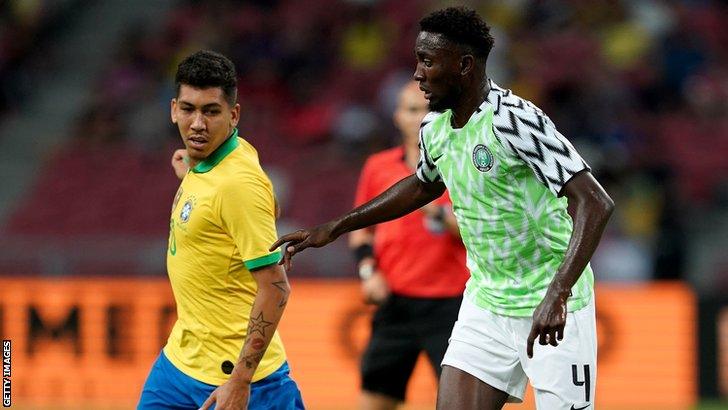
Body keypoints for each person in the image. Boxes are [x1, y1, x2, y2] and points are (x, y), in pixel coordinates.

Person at [271, 7, 614, 410]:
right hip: (487, 300)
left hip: (552, 301)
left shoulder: (515, 120)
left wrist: (558, 292)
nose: (417, 73)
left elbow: (595, 201)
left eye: (428, 61)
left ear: (465, 65)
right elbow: (422, 185)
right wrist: (334, 227)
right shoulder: (435, 126)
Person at [138, 50, 304, 410]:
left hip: (240, 380)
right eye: (188, 109)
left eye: (211, 111)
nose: (197, 123)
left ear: (234, 114)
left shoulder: (237, 185)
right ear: (172, 109)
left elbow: (276, 288)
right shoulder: (211, 164)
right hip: (178, 363)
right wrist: (192, 174)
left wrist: (240, 382)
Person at [351, 81, 469, 410]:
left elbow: (481, 231)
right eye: (413, 109)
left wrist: (438, 213)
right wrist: (367, 272)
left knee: (458, 400)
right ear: (397, 116)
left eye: (429, 110)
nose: (421, 118)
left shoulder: (461, 167)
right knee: (376, 397)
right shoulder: (378, 167)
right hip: (395, 302)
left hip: (450, 304)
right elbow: (361, 231)